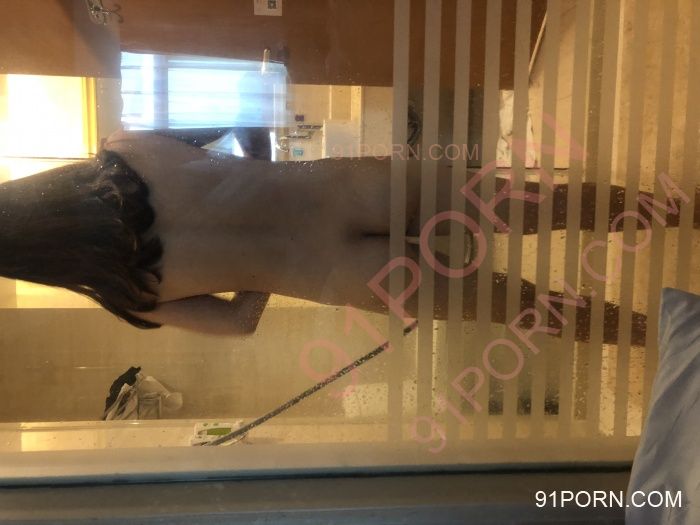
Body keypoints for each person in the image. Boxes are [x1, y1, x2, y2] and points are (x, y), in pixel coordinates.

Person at [0, 130, 686, 344]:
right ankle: (686, 210)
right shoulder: (123, 151)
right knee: (551, 205)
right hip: (347, 188)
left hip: (338, 272)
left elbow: (238, 323)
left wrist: (260, 271)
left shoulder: (130, 293)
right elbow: (242, 134)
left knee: (530, 309)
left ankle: (674, 336)